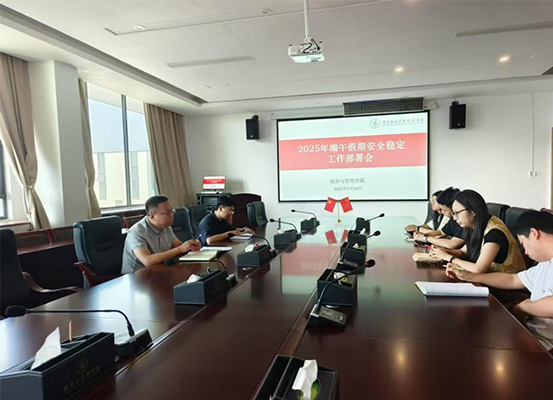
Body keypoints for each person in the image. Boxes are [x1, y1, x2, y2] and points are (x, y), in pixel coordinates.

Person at [446, 210, 553, 352]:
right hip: (532, 335)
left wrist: (523, 307)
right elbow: (513, 279)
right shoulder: (545, 264)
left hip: (546, 346)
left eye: (523, 243)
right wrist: (470, 276)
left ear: (534, 234)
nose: (526, 252)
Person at [430, 189, 525, 274]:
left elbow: (478, 269)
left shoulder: (494, 232)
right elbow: (463, 252)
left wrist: (448, 257)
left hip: (504, 286)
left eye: (457, 213)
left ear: (473, 211)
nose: (454, 218)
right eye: (454, 214)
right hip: (484, 280)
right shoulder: (473, 226)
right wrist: (444, 251)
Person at [121, 195, 201, 273]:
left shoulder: (166, 227)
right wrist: (180, 249)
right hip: (136, 276)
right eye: (167, 212)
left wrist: (191, 246)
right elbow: (147, 261)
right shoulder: (136, 232)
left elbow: (179, 246)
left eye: (172, 211)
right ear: (152, 217)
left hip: (158, 271)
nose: (172, 215)